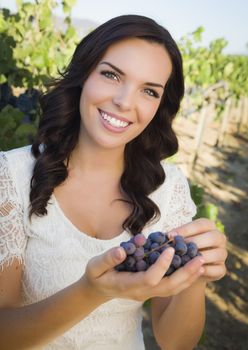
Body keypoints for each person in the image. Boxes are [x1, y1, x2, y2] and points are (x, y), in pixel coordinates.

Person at [0, 14, 227, 350]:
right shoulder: (11, 177)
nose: (124, 101)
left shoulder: (168, 188)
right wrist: (92, 292)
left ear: (160, 105)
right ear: (83, 75)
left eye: (149, 91)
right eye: (111, 74)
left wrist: (197, 272)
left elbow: (175, 343)